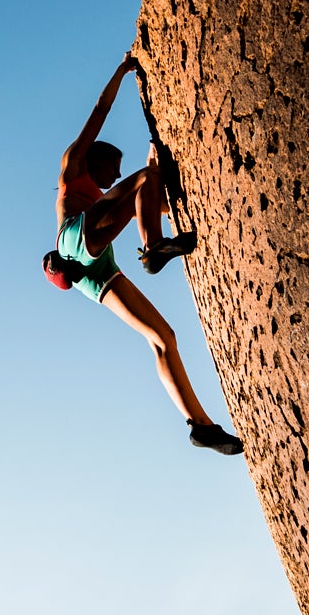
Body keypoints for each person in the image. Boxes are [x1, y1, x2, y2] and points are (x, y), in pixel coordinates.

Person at [48, 55, 245, 456]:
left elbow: (152, 202)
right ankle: (153, 247)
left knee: (163, 337)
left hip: (95, 270)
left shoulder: (104, 199)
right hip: (72, 240)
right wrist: (121, 72)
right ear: (96, 158)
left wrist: (162, 186)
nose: (114, 177)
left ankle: (200, 426)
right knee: (147, 178)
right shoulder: (72, 167)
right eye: (112, 169)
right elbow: (100, 111)